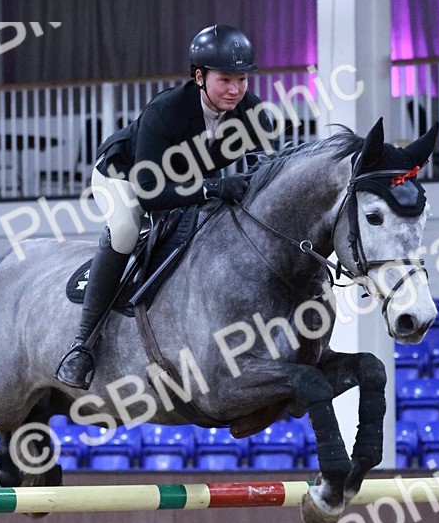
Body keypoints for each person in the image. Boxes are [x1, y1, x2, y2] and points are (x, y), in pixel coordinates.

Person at [56, 24, 276, 389]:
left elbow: (268, 169)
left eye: (242, 80)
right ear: (199, 77)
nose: (236, 89)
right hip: (124, 177)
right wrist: (214, 187)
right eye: (225, 79)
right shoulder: (167, 110)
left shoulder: (251, 113)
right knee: (126, 233)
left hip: (181, 183)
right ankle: (82, 346)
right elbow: (151, 195)